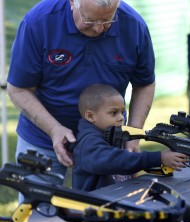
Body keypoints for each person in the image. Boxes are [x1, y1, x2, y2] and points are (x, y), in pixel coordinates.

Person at [7, 0, 156, 182]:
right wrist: (54, 129)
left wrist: (133, 133)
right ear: (72, 3)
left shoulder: (134, 25)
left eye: (108, 20)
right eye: (90, 20)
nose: (99, 28)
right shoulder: (39, 22)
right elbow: (19, 89)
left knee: (111, 206)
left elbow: (145, 83)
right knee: (39, 206)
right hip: (42, 137)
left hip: (107, 142)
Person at [72, 84, 188, 191]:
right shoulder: (88, 143)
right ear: (91, 116)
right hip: (95, 209)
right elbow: (116, 161)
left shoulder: (113, 134)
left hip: (119, 200)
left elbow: (128, 166)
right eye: (113, 113)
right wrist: (158, 157)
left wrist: (162, 162)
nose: (121, 118)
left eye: (122, 112)